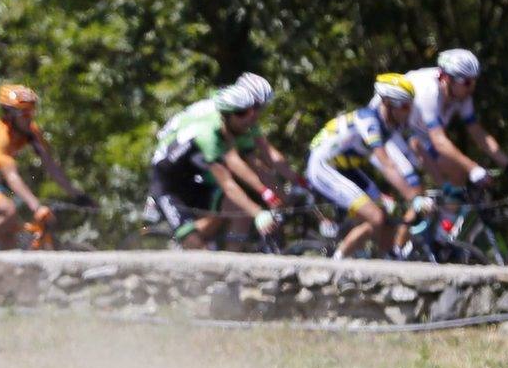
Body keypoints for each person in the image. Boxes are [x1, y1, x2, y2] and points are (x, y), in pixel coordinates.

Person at [0, 84, 89, 251]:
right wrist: (37, 207)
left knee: (10, 231)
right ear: (10, 114)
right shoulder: (1, 135)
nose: (30, 118)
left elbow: (51, 165)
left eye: (32, 112)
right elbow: (12, 177)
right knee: (8, 211)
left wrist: (78, 195)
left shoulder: (30, 131)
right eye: (25, 114)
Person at [306, 74, 435, 258]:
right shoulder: (369, 121)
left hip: (345, 168)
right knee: (375, 217)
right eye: (405, 106)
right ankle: (336, 264)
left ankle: (388, 260)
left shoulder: (390, 125)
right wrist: (414, 198)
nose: (409, 112)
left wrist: (414, 190)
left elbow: (400, 162)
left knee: (387, 215)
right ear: (388, 104)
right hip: (324, 167)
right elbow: (386, 164)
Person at [149, 82, 279, 249]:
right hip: (167, 185)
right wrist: (258, 213)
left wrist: (268, 192)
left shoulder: (227, 128)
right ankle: (186, 242)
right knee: (195, 244)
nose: (249, 118)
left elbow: (243, 164)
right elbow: (227, 184)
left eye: (251, 111)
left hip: (193, 179)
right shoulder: (209, 134)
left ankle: (232, 259)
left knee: (235, 209)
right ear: (226, 115)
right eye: (241, 113)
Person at [371, 49, 508, 189]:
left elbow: (477, 132)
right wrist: (473, 168)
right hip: (383, 132)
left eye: (474, 81)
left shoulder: (461, 95)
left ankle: (449, 205)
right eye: (467, 82)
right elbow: (439, 141)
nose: (472, 87)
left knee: (457, 174)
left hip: (414, 132)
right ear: (447, 79)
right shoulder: (429, 91)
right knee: (414, 188)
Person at [219, 72, 309, 221]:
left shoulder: (248, 119)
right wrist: (268, 192)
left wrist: (296, 179)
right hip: (205, 167)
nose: (257, 113)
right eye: (255, 106)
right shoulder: (226, 114)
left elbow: (267, 152)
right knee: (240, 213)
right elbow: (236, 160)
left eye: (261, 107)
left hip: (223, 166)